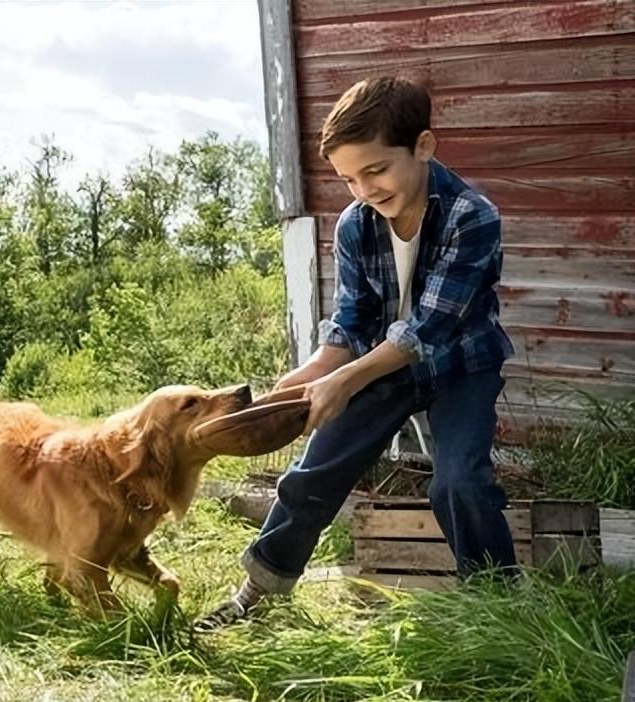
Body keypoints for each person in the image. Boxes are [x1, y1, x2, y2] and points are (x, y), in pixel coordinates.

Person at [195, 76, 517, 632]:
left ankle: (498, 607)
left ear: (423, 147)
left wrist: (343, 383)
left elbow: (427, 330)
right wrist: (302, 383)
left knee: (459, 482)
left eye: (376, 170)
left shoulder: (472, 216)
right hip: (382, 365)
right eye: (348, 178)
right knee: (312, 473)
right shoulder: (354, 225)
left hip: (463, 363)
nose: (365, 188)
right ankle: (259, 592)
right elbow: (348, 326)